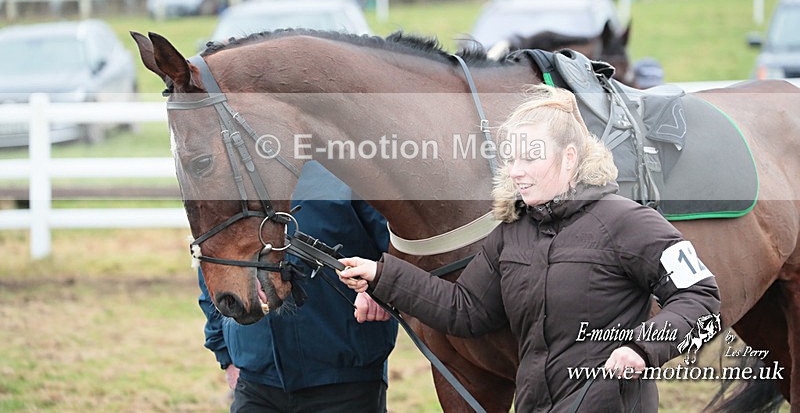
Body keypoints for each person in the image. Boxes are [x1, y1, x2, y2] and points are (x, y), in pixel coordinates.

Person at [339, 84, 720, 412]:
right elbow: (465, 310)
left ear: (570, 157)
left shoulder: (629, 223)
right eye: (512, 159)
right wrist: (382, 275)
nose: (517, 170)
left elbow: (702, 299)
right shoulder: (511, 233)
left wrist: (642, 349)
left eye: (531, 157)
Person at [199, 161, 398, 413]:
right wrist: (226, 356)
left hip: (345, 380)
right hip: (256, 382)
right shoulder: (236, 178)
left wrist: (378, 287)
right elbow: (213, 264)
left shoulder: (353, 171)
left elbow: (399, 249)